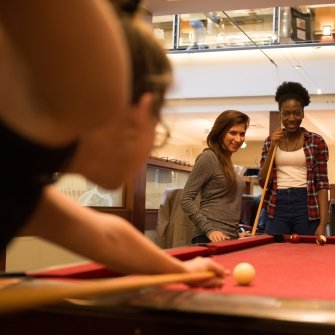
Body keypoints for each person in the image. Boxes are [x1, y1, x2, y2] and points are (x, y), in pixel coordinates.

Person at [2, 0, 226, 287]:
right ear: (144, 111)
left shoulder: (21, 181)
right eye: (160, 132)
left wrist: (181, 270)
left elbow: (110, 236)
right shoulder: (102, 93)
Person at [258, 81, 330, 236]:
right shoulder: (270, 141)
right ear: (280, 114)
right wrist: (271, 149)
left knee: (307, 254)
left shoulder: (316, 141)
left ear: (303, 113)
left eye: (297, 113)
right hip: (277, 206)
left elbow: (322, 185)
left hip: (306, 205)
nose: (292, 118)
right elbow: (263, 181)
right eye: (286, 113)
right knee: (273, 252)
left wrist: (323, 224)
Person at [181, 110, 251, 244]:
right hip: (208, 237)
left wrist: (236, 233)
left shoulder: (228, 163)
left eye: (242, 134)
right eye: (233, 133)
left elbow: (225, 204)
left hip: (228, 237)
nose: (238, 139)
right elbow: (185, 199)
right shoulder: (209, 157)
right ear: (220, 133)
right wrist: (209, 230)